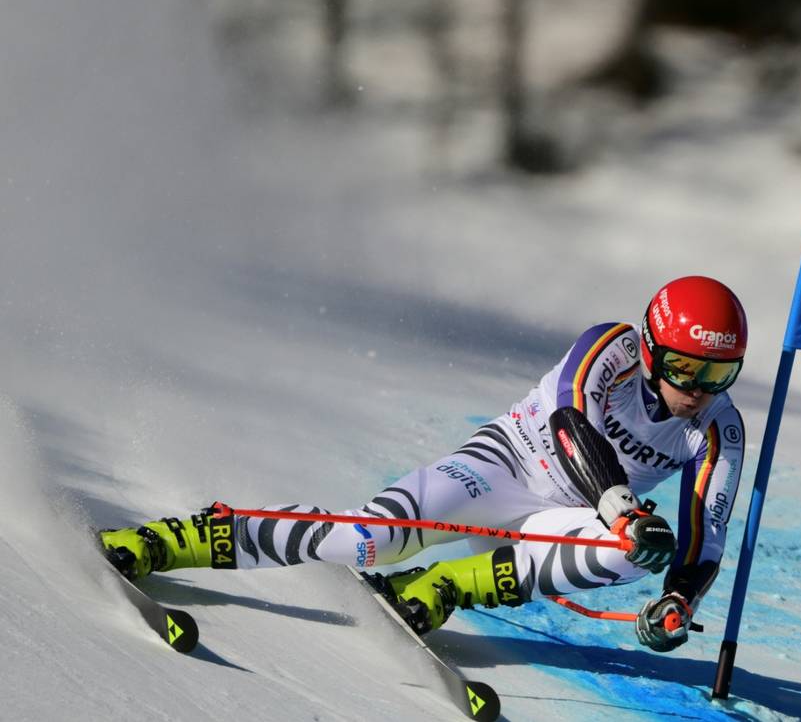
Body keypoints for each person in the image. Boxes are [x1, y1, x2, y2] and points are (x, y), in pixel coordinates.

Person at [100, 275, 747, 653]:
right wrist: (623, 509)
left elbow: (707, 534)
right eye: (684, 367)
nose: (697, 389)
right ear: (652, 346)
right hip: (505, 466)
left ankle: (443, 587)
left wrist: (676, 602)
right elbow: (571, 423)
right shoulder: (611, 346)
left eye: (719, 374)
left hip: (563, 521)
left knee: (640, 550)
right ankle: (179, 538)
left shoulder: (719, 428)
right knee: (369, 540)